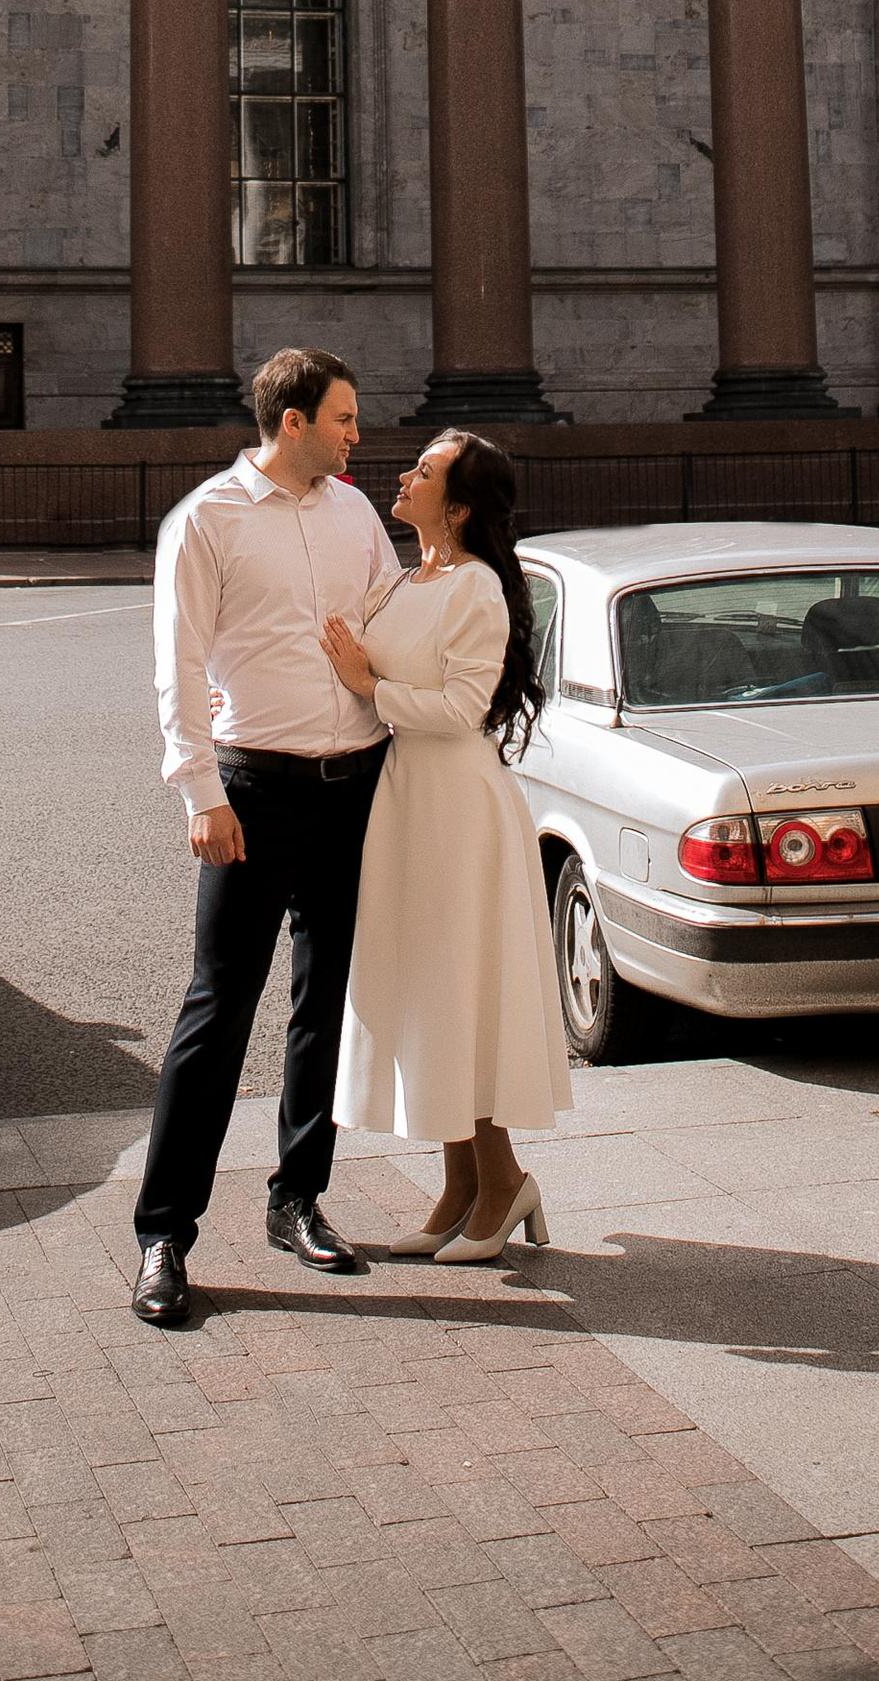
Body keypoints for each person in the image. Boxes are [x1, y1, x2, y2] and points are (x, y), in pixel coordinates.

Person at [132, 346, 401, 1328]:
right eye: (343, 417)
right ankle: (164, 1234)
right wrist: (200, 792)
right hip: (252, 787)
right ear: (292, 421)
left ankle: (297, 1198)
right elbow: (179, 660)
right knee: (217, 1009)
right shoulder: (205, 519)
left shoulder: (357, 514)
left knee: (323, 1002)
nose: (355, 434)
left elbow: (390, 615)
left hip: (352, 783)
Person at [324, 429, 571, 1258]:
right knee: (434, 990)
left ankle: (501, 1183)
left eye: (424, 471)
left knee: (461, 988)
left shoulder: (477, 589)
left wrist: (373, 687)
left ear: (458, 505)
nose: (404, 473)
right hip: (410, 800)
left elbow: (467, 709)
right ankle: (465, 1183)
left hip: (459, 806)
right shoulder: (402, 582)